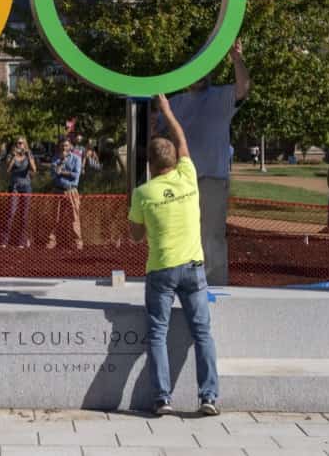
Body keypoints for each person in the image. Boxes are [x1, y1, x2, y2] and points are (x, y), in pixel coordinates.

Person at [129, 94, 220, 418]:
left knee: (157, 333)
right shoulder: (188, 176)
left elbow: (136, 235)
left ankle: (162, 399)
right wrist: (166, 111)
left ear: (151, 166)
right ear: (176, 161)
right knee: (202, 333)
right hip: (194, 269)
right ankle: (208, 396)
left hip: (162, 271)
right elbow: (181, 140)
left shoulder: (142, 193)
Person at [160, 39, 249, 285]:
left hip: (211, 179)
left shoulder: (221, 96)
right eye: (194, 70)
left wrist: (236, 58)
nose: (199, 76)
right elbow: (155, 134)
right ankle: (184, 283)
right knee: (180, 235)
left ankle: (215, 285)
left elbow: (243, 88)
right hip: (180, 183)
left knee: (211, 237)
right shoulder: (175, 103)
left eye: (204, 70)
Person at [47, 138, 83, 250]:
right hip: (58, 191)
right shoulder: (55, 159)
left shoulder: (76, 159)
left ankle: (77, 243)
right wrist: (61, 163)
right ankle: (52, 241)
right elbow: (53, 176)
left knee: (74, 218)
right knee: (56, 217)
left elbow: (76, 175)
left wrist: (61, 172)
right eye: (62, 145)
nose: (64, 148)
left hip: (72, 191)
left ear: (70, 146)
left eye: (66, 145)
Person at [2, 136, 36, 248]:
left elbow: (34, 170)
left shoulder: (28, 154)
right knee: (11, 213)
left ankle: (22, 241)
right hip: (14, 186)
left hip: (26, 186)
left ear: (25, 144)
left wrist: (28, 156)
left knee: (24, 215)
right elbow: (7, 170)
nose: (19, 145)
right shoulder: (11, 154)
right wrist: (14, 157)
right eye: (17, 143)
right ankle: (4, 240)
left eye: (21, 143)